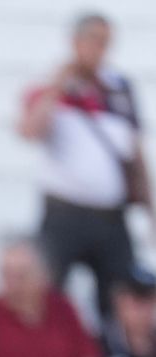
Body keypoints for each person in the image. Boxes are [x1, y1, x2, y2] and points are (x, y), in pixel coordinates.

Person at [19, 11, 151, 315]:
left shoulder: (119, 90)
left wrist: (149, 208)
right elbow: (30, 131)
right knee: (48, 293)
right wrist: (59, 85)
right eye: (93, 40)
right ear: (75, 42)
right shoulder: (52, 89)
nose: (99, 49)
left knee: (120, 296)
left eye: (105, 42)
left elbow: (134, 154)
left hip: (111, 216)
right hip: (64, 213)